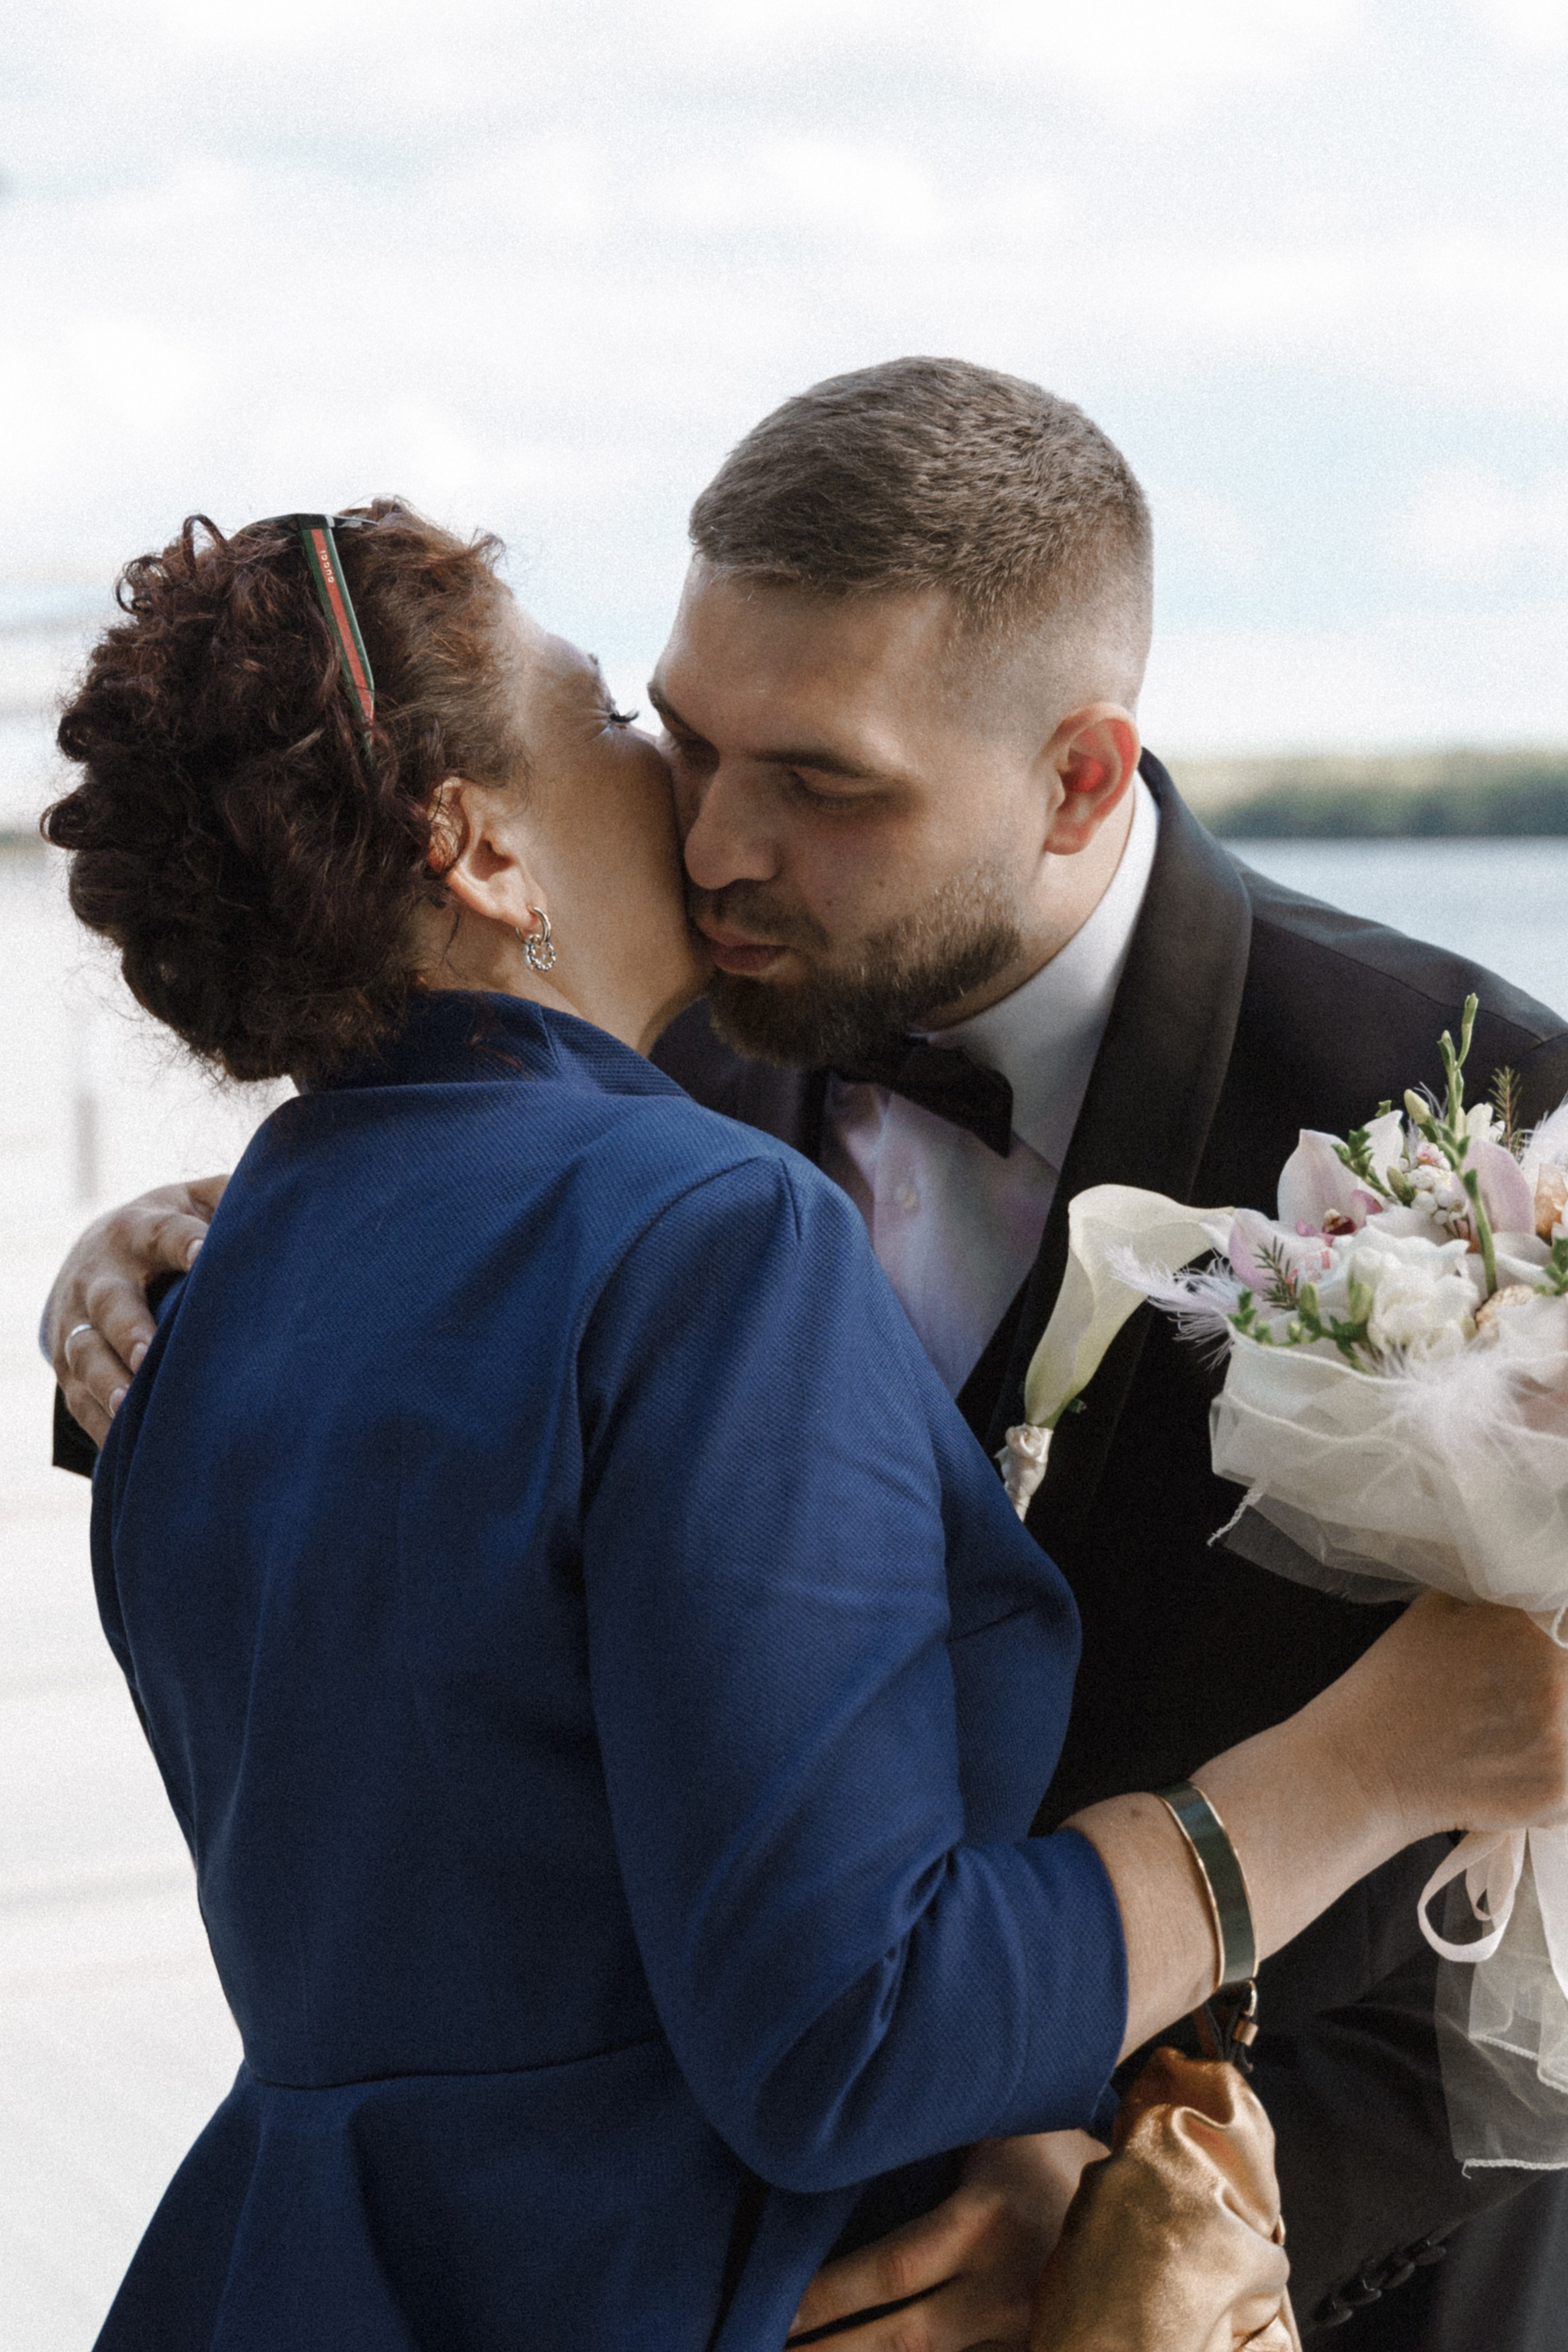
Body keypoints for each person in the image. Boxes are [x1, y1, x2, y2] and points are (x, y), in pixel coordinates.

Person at [46, 367, 1568, 2346]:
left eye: (823, 782)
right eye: (673, 736)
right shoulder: (620, 1077)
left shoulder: (1478, 1117)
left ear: (1082, 775)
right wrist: (139, 1268)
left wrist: (1147, 2189)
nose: (716, 836)